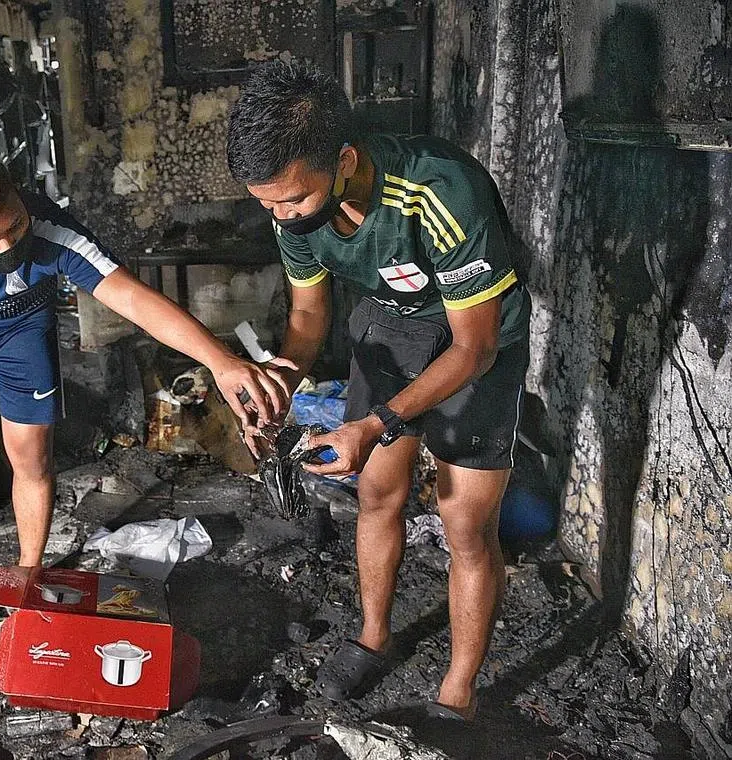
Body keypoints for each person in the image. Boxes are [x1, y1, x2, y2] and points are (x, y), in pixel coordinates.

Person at [227, 61, 532, 722]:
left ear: (343, 161)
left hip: (478, 339)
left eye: (293, 200)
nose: (280, 216)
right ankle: (374, 635)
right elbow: (309, 316)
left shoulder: (438, 190)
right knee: (377, 493)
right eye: (267, 204)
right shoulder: (292, 210)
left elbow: (473, 347)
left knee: (465, 523)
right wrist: (277, 385)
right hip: (391, 326)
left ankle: (458, 690)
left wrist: (375, 424)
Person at [0, 142, 291, 569]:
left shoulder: (53, 229)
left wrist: (220, 360)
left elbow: (132, 298)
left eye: (15, 226)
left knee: (30, 454)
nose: (7, 247)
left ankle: (29, 566)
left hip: (23, 330)